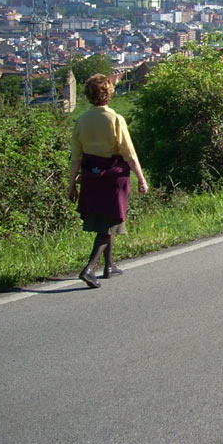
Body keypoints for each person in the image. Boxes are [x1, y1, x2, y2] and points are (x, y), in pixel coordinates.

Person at [68, 73, 148, 288]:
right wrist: (141, 179)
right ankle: (89, 268)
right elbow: (129, 154)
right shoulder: (115, 119)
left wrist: (71, 184)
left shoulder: (81, 120)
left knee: (105, 221)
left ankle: (109, 266)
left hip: (90, 176)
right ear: (109, 93)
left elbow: (76, 157)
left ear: (88, 94)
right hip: (113, 177)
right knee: (108, 224)